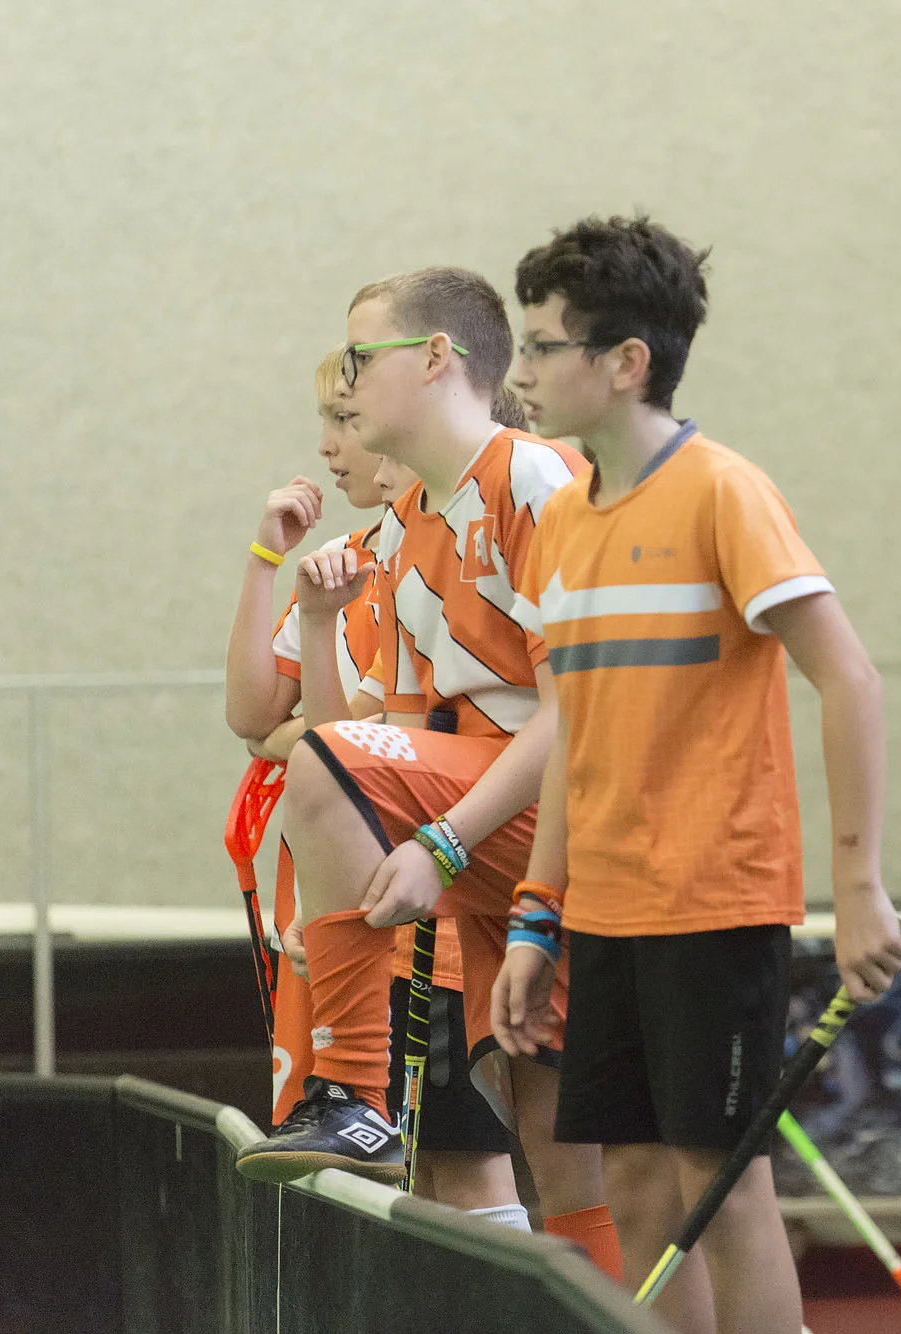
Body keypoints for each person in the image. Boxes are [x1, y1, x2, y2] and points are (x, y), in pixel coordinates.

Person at [486, 215, 901, 1334]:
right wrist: (536, 915)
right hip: (604, 909)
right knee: (632, 1182)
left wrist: (857, 886)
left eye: (542, 347)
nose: (519, 373)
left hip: (713, 902)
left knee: (721, 1190)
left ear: (627, 361)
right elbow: (573, 732)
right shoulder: (561, 519)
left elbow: (849, 679)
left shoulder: (724, 492)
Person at [232, 268, 621, 1275]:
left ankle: (353, 1092)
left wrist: (440, 843)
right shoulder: (406, 521)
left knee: (632, 1169)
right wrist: (348, 901)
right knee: (557, 1154)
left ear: (438, 358)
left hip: (570, 824)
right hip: (491, 847)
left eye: (361, 359)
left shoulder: (535, 478)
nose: (346, 385)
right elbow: (359, 745)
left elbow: (573, 710)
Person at [221, 350, 532, 1229]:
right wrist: (271, 568)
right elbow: (275, 723)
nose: (330, 445)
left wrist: (293, 738)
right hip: (387, 894)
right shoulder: (363, 558)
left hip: (450, 886)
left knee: (481, 1169)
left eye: (350, 421)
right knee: (428, 1179)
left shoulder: (482, 535)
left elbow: (337, 742)